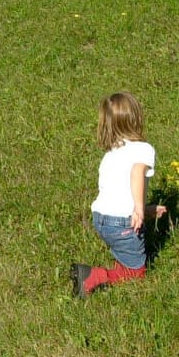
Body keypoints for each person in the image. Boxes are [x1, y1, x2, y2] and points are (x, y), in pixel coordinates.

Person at [71, 91, 164, 298]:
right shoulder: (143, 149)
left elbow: (116, 192)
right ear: (137, 119)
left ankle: (119, 263)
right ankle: (92, 276)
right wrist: (139, 209)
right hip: (122, 223)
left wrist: (146, 210)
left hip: (101, 220)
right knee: (136, 273)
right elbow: (136, 173)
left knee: (125, 254)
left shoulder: (110, 154)